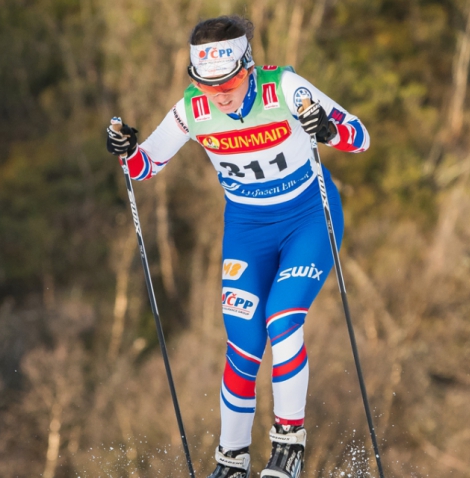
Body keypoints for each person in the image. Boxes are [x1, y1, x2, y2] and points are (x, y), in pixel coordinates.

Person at [106, 15, 369, 478]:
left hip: (308, 219)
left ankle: (288, 446)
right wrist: (125, 149)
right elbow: (145, 166)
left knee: (282, 319)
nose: (220, 94)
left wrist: (328, 130)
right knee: (244, 343)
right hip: (248, 231)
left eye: (228, 82)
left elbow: (360, 137)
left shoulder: (285, 88)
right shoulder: (192, 109)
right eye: (208, 85)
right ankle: (231, 462)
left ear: (248, 67)